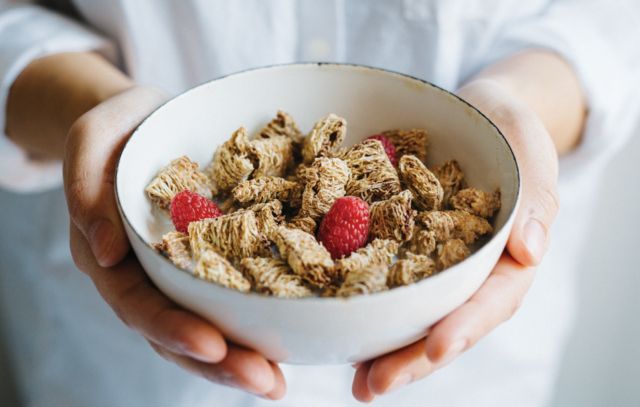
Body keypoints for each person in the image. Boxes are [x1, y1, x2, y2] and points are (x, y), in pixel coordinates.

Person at [0, 0, 638, 406]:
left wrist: (522, 99)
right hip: (121, 374)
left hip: (471, 377)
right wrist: (95, 110)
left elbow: (611, 22)